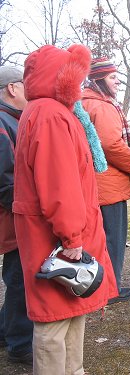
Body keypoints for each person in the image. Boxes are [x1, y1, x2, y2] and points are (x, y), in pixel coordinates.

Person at [13, 44, 118, 374]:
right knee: (53, 321)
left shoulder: (50, 112)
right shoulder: (50, 115)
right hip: (57, 237)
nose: (79, 83)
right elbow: (60, 185)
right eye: (73, 76)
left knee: (71, 309)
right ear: (60, 78)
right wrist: (72, 238)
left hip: (63, 232)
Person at [82, 57, 130, 305]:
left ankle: (98, 286)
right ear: (99, 80)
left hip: (92, 183)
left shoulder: (83, 103)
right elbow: (110, 144)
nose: (117, 81)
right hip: (108, 185)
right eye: (112, 77)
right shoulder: (102, 106)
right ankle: (110, 288)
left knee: (98, 239)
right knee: (113, 239)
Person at [0, 66, 33, 365]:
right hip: (12, 216)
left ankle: (5, 331)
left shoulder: (12, 120)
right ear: (12, 88)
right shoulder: (2, 122)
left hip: (14, 213)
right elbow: (5, 178)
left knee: (18, 274)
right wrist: (26, 211)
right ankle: (20, 344)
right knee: (19, 277)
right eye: (25, 85)